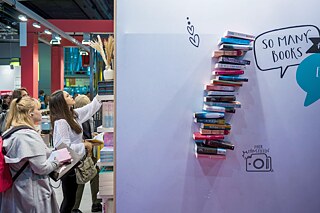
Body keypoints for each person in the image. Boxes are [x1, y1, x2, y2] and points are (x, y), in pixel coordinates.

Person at [0, 96, 61, 213]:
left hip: (14, 192)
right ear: (30, 113)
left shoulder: (10, 132)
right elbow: (41, 168)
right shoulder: (28, 136)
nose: (41, 112)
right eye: (38, 109)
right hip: (31, 195)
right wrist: (57, 161)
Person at [49, 90, 102, 213]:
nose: (71, 96)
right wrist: (83, 145)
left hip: (74, 163)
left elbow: (90, 109)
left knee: (71, 199)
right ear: (62, 102)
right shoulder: (61, 122)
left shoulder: (72, 115)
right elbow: (63, 147)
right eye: (67, 96)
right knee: (69, 200)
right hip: (69, 166)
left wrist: (103, 92)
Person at [72, 95, 102, 213]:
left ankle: (96, 203)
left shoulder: (89, 118)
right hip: (80, 154)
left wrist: (92, 136)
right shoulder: (74, 120)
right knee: (81, 178)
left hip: (91, 151)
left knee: (95, 175)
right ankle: (75, 207)